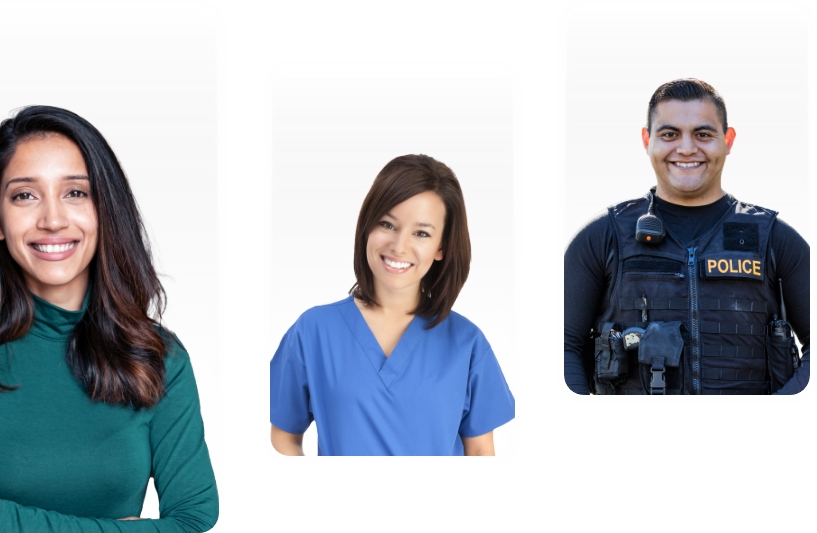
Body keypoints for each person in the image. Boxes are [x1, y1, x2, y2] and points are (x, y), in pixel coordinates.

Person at [0, 106, 217, 533]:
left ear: (104, 210)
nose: (52, 220)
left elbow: (196, 525)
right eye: (25, 195)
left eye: (76, 193)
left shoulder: (158, 358)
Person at [563, 79, 809, 395]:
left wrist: (776, 416)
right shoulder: (601, 237)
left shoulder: (775, 238)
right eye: (670, 134)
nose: (687, 148)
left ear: (728, 140)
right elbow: (561, 347)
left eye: (703, 134)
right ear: (646, 139)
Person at [269, 154, 514, 456]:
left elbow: (479, 452)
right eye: (387, 224)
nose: (399, 246)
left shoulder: (467, 343)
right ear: (367, 227)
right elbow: (284, 438)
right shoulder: (313, 331)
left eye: (421, 233)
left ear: (442, 247)